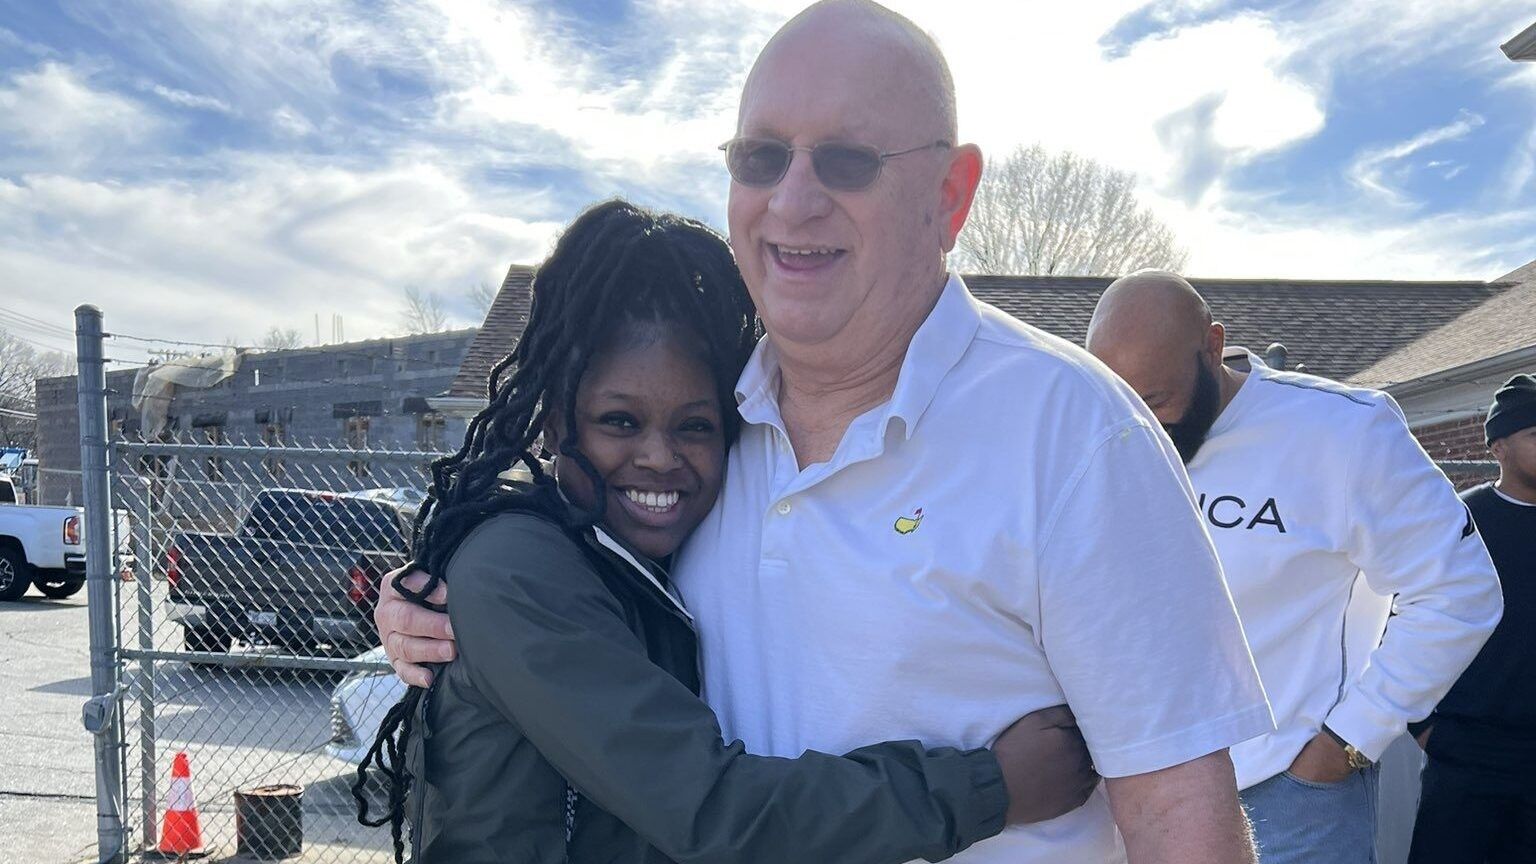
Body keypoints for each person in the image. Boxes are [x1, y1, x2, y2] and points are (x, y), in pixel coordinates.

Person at [378, 3, 1277, 861]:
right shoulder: (717, 424)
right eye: (762, 157)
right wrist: (438, 593)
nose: (794, 199)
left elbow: (1179, 814)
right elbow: (575, 600)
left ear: (951, 194)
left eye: (847, 160)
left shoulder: (1076, 435)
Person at [355, 199, 1099, 863]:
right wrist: (988, 786)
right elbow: (707, 808)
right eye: (620, 421)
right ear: (554, 423)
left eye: (695, 426)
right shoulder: (519, 566)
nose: (660, 456)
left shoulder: (644, 546)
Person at [1085, 270, 1503, 864]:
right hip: (1136, 789)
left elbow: (1459, 590)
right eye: (1121, 401)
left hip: (1285, 792)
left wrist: (1349, 741)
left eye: (1154, 401)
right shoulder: (1106, 429)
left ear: (1212, 347)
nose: (1142, 424)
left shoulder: (1341, 432)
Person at [1407, 373, 1536, 863]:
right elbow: (1403, 616)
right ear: (1498, 447)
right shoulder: (1462, 522)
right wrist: (1423, 725)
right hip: (1467, 751)